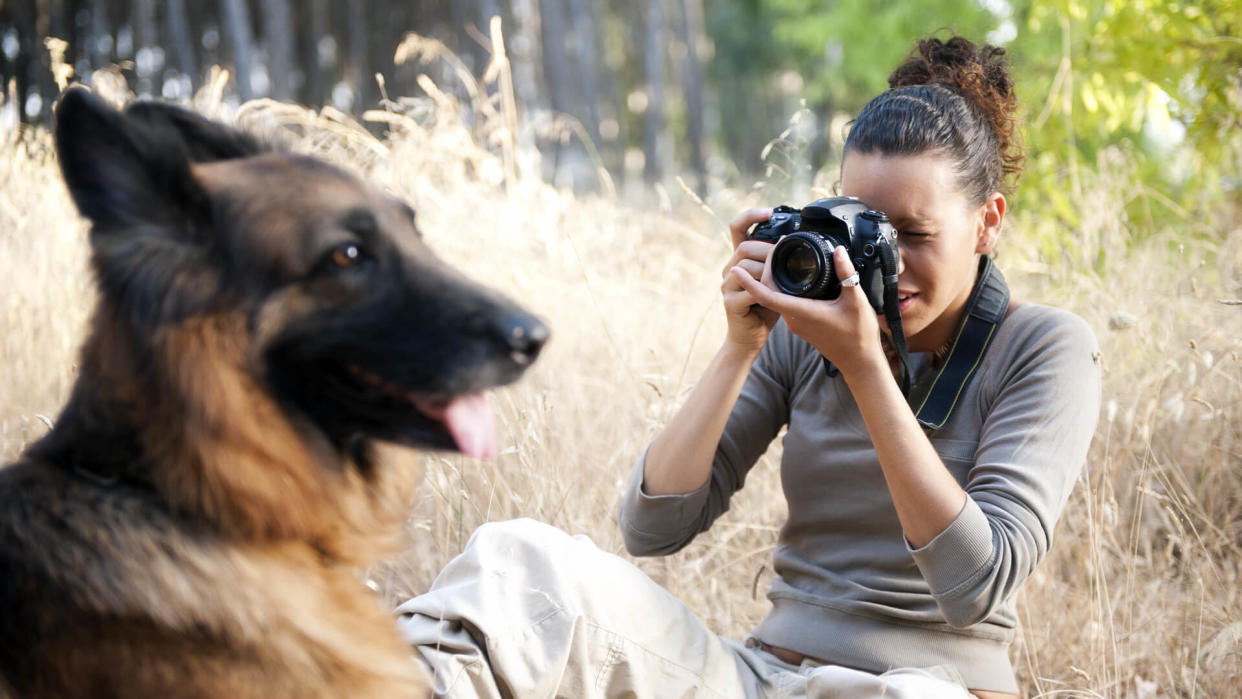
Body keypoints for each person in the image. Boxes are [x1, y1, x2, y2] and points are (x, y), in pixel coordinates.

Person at [397, 35, 1101, 698]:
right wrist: (743, 342)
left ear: (988, 221)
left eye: (914, 235)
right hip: (763, 675)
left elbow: (973, 583)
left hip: (923, 685)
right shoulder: (806, 329)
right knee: (520, 559)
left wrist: (865, 368)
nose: (888, 263)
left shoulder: (1044, 347)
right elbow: (653, 528)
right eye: (870, 231)